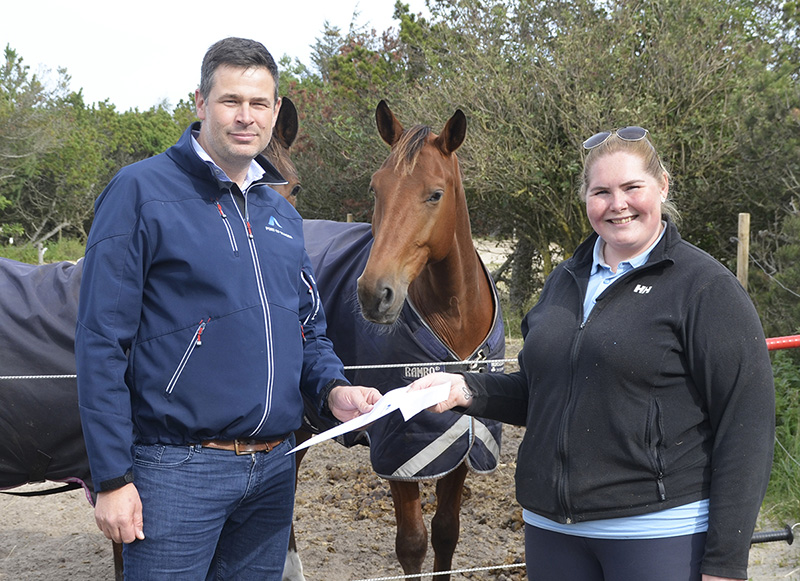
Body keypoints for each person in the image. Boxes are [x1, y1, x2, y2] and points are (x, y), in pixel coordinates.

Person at [75, 37, 381, 580]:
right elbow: (101, 341)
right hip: (178, 469)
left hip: (273, 471)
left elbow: (306, 327)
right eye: (230, 101)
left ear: (276, 111)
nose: (246, 117)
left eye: (259, 104)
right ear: (199, 102)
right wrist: (113, 478)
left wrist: (334, 388)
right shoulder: (140, 192)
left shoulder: (279, 213)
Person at [409, 127, 775, 581]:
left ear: (662, 185)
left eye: (632, 188)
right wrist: (466, 388)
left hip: (657, 534)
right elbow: (543, 392)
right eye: (601, 191)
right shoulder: (565, 280)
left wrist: (725, 563)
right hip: (551, 532)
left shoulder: (704, 288)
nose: (617, 204)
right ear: (586, 198)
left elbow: (747, 424)